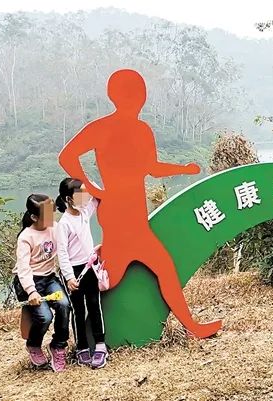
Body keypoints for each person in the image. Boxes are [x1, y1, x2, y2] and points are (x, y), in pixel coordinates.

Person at [58, 69, 221, 339]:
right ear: (114, 96)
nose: (137, 98)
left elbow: (152, 168)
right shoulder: (101, 127)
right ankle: (65, 316)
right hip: (116, 214)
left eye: (139, 92)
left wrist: (183, 169)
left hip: (136, 216)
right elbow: (67, 156)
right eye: (132, 92)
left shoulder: (143, 130)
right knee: (108, 280)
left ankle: (192, 327)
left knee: (161, 269)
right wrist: (94, 188)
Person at [13, 194, 70, 372]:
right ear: (34, 217)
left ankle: (58, 346)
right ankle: (33, 344)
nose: (52, 217)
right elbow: (23, 269)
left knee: (64, 305)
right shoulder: (26, 237)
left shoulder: (55, 227)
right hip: (29, 282)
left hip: (49, 278)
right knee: (45, 317)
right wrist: (31, 291)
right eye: (47, 214)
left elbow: (69, 243)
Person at [56, 177, 107, 369]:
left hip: (90, 267)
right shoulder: (64, 224)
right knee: (78, 311)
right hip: (74, 272)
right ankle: (82, 347)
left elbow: (98, 195)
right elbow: (62, 253)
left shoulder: (85, 212)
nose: (86, 197)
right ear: (68, 199)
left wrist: (86, 180)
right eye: (81, 195)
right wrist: (69, 277)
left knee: (94, 305)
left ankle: (100, 345)